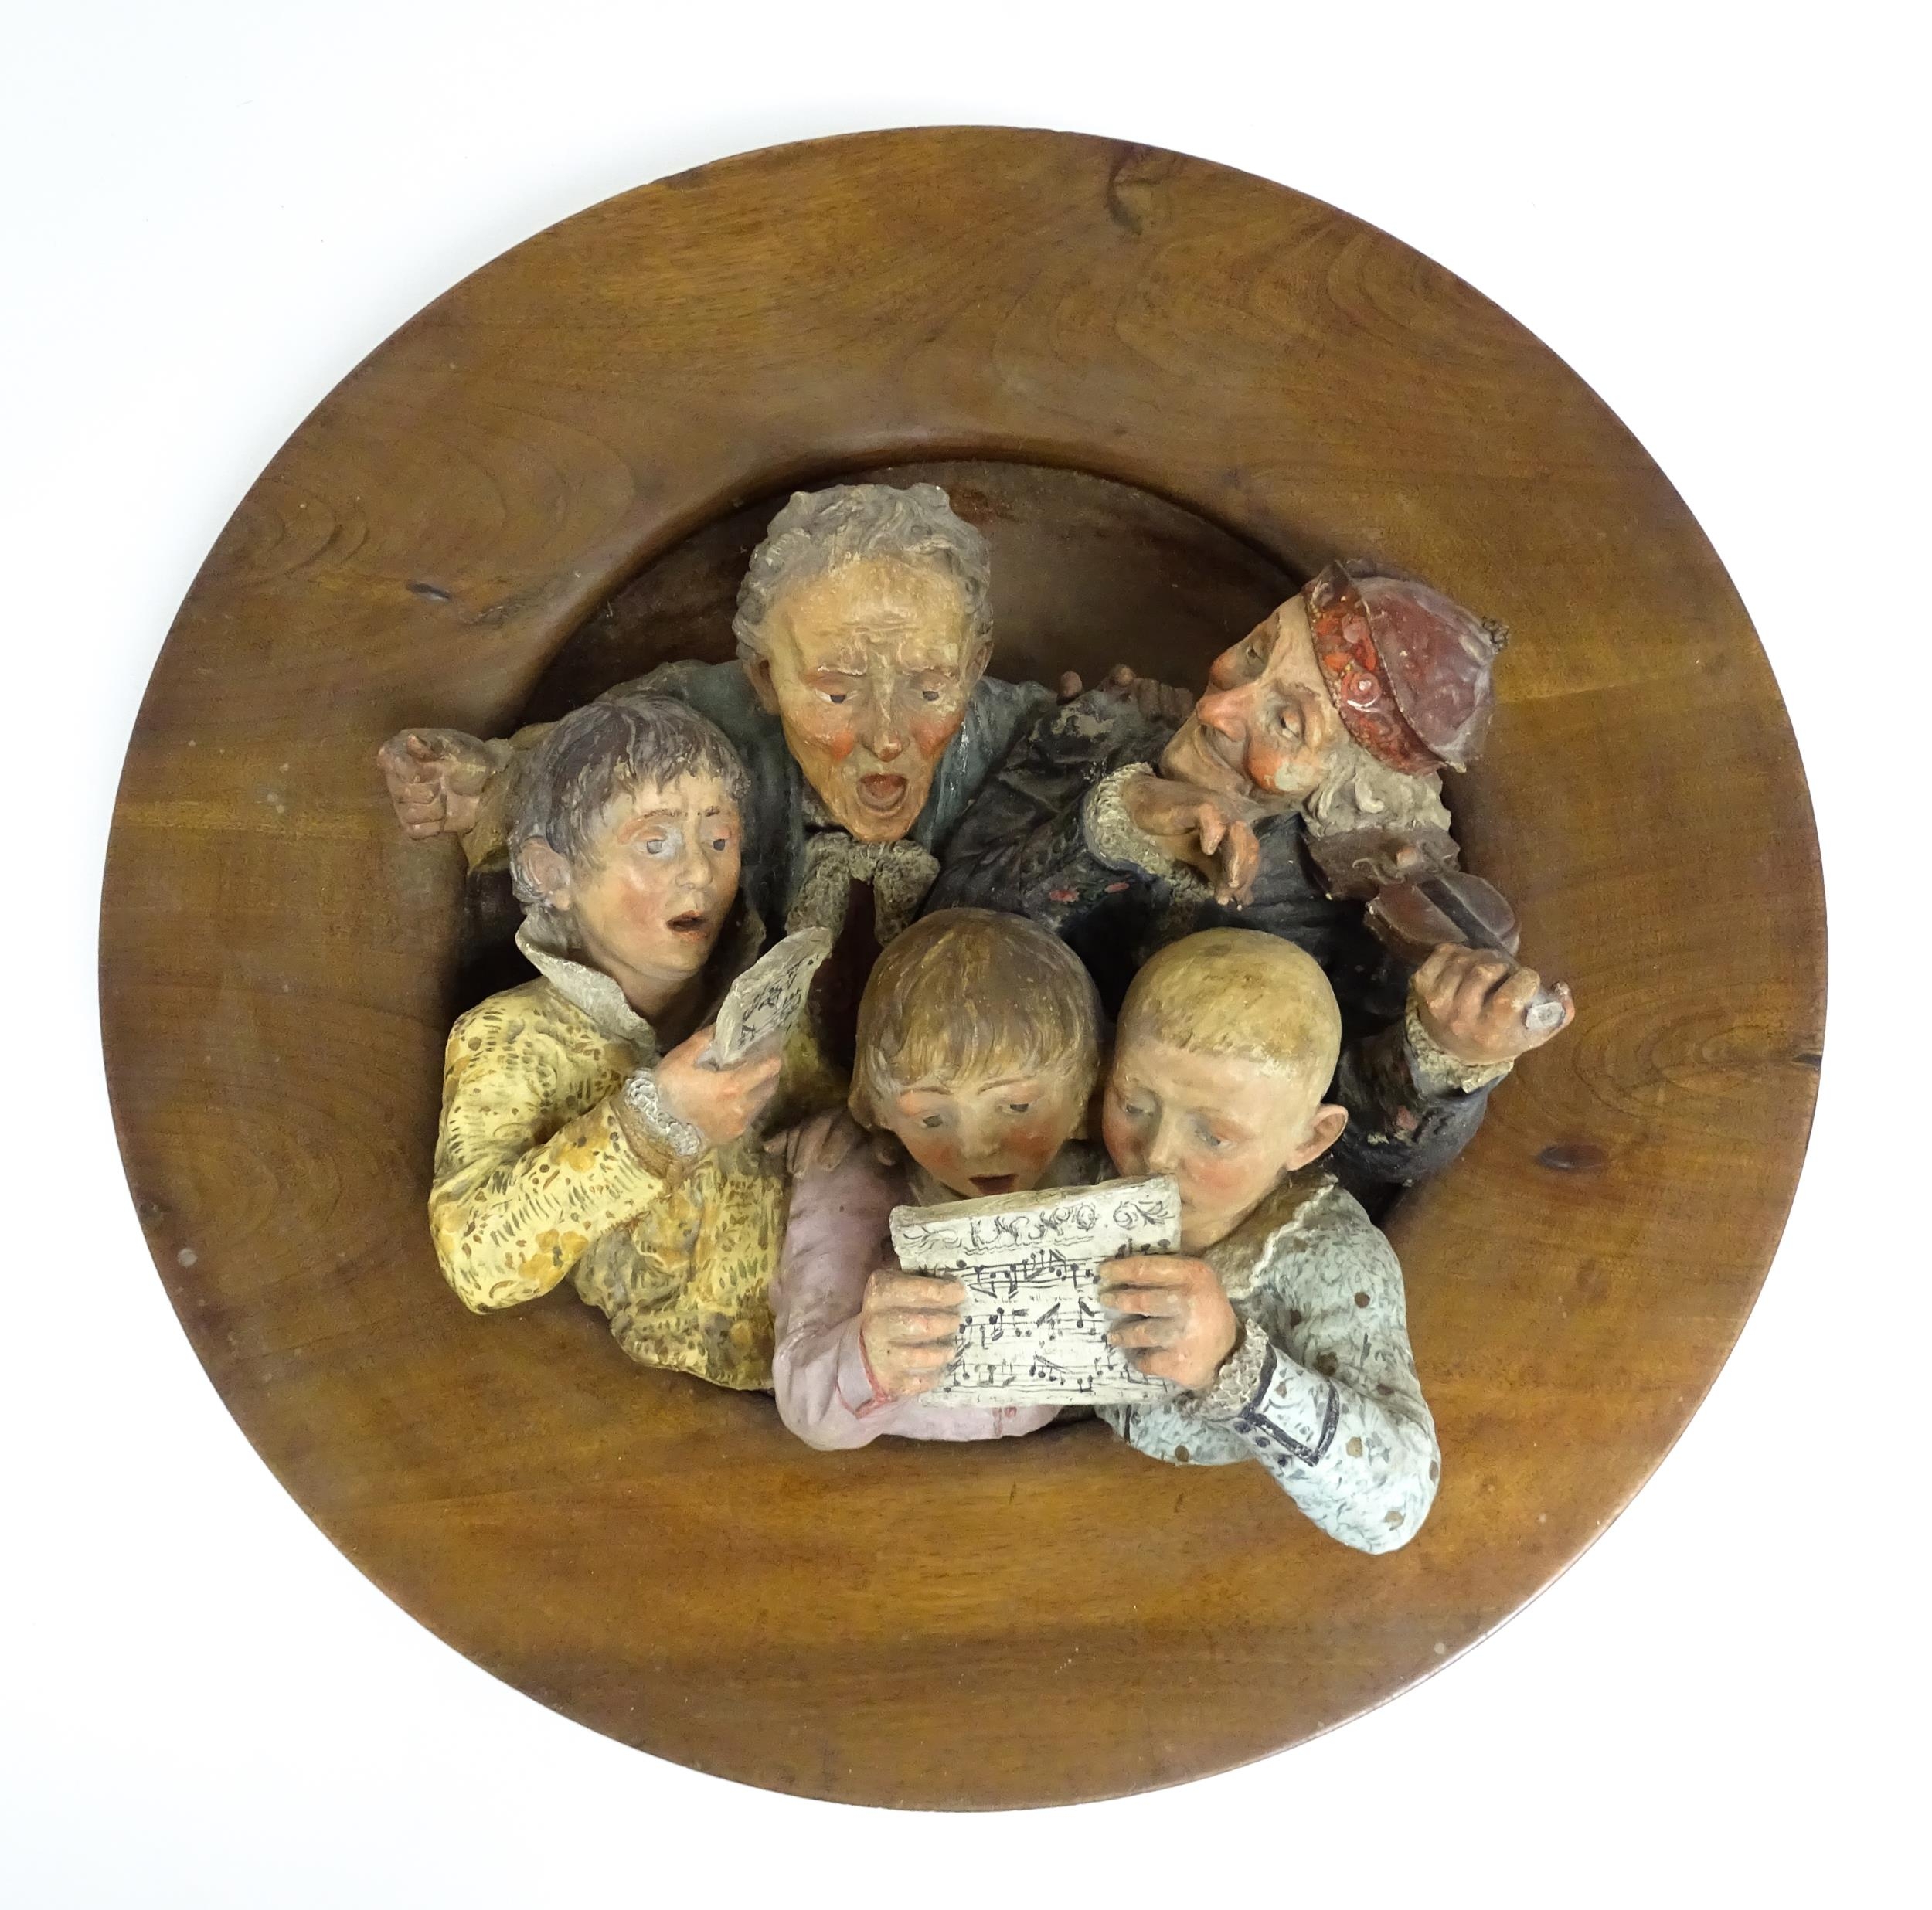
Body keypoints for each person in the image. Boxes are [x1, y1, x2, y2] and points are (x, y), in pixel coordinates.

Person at [927, 560, 1573, 1189]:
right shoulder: (1099, 731)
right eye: (1255, 654)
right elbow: (941, 937)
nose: (1220, 710)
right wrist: (1115, 828)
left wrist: (1439, 1058)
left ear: (1351, 785)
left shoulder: (1356, 912)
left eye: (1287, 723)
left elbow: (1346, 1149)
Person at [379, 484, 1061, 960]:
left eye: (931, 688)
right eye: (835, 693)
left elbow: (1101, 759)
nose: (887, 737)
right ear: (764, 676)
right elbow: (598, 758)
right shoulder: (708, 716)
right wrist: (492, 786)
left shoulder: (1021, 735)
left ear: (974, 666)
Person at [428, 693, 821, 1387]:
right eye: (655, 844)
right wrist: (653, 1126)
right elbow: (476, 1258)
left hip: (833, 1376)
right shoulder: (512, 1038)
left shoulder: (780, 1002)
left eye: (719, 841)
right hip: (645, 1399)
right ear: (552, 874)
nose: (698, 873)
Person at [1094, 930, 1438, 1554]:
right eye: (1133, 1104)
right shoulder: (1089, 1182)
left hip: (1218, 1542)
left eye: (1215, 1136)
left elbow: (1396, 1506)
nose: (1157, 1153)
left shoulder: (1329, 1263)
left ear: (1308, 1139)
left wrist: (1234, 1365)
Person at [768, 909, 1106, 1448]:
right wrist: (869, 1358)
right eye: (930, 1117)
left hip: (1068, 1459)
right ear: (879, 1111)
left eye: (1017, 1106)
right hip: (894, 1467)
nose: (974, 1146)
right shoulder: (852, 1189)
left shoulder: (1099, 1183)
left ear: (1087, 1090)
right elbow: (805, 1395)